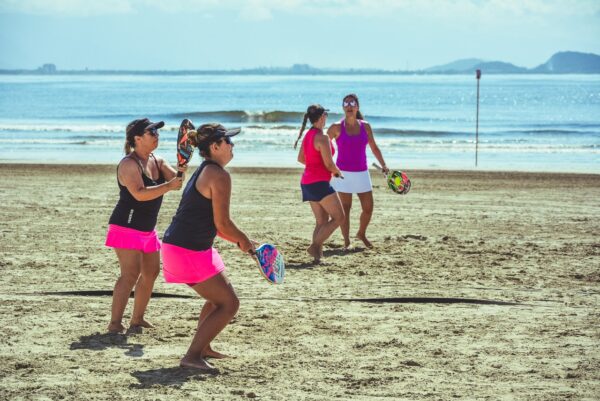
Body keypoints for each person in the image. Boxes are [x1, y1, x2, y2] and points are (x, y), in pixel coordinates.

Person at [161, 123, 255, 371]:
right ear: (215, 146)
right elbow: (223, 222)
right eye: (228, 142)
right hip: (186, 249)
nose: (232, 145)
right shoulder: (219, 175)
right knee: (229, 304)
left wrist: (242, 240)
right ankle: (192, 356)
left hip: (184, 245)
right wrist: (242, 238)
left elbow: (219, 226)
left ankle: (203, 348)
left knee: (217, 300)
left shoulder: (206, 169)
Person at [105, 118, 184, 334]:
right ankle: (114, 323)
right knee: (130, 274)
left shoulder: (157, 160)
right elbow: (139, 195)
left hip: (147, 228)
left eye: (157, 132)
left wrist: (183, 163)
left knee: (151, 273)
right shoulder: (129, 164)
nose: (156, 135)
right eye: (151, 132)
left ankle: (137, 319)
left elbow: (177, 183)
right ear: (137, 139)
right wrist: (168, 186)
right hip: (126, 226)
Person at [327, 93, 389, 250]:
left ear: (357, 107)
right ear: (343, 107)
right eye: (346, 103)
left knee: (368, 208)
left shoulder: (365, 126)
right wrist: (329, 166)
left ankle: (361, 233)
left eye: (352, 103)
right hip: (342, 174)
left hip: (362, 173)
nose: (349, 106)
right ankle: (346, 241)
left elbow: (374, 147)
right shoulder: (335, 127)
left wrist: (383, 164)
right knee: (345, 209)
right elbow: (324, 146)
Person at [294, 104, 345, 262]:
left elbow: (301, 158)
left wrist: (316, 165)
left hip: (307, 182)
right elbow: (329, 164)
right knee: (339, 217)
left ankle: (317, 256)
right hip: (319, 183)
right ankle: (315, 245)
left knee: (321, 221)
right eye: (326, 116)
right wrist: (336, 171)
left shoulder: (308, 134)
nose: (326, 119)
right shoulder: (322, 138)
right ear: (322, 117)